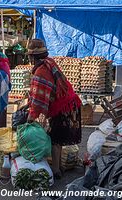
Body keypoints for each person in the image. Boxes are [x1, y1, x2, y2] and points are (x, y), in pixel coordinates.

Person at [27, 39, 82, 179]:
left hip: (62, 107)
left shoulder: (41, 71)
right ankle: (60, 166)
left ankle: (56, 170)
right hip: (70, 103)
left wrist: (30, 118)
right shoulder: (50, 63)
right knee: (59, 138)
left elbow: (38, 101)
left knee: (55, 139)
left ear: (33, 57)